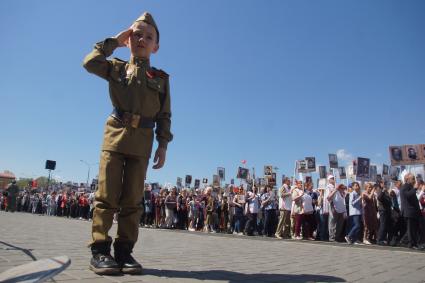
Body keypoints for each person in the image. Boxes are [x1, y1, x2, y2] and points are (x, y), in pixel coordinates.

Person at [83, 12, 173, 275]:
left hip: (143, 142)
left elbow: (164, 115)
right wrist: (115, 40)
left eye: (149, 37)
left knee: (133, 200)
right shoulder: (116, 68)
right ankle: (100, 251)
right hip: (115, 136)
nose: (142, 39)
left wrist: (163, 144)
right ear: (128, 39)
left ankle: (124, 252)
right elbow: (89, 62)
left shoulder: (162, 78)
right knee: (107, 196)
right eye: (136, 34)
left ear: (156, 46)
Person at [400, 173, 422, 249]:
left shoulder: (410, 187)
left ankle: (413, 243)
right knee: (410, 229)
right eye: (412, 178)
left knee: (414, 229)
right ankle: (411, 244)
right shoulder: (404, 187)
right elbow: (408, 195)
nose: (414, 180)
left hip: (413, 212)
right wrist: (415, 189)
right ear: (407, 179)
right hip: (408, 212)